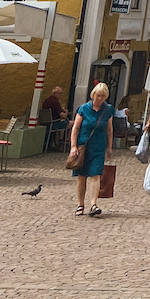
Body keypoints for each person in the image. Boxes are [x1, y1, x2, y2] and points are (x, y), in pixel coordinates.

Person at [69, 82, 114, 217]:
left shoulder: (108, 110)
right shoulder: (83, 109)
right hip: (83, 147)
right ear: (93, 94)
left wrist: (109, 147)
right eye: (97, 95)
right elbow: (76, 128)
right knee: (82, 177)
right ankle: (80, 204)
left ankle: (93, 205)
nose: (99, 98)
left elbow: (109, 129)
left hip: (98, 147)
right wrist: (73, 146)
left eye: (102, 96)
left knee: (96, 175)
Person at [41, 86, 70, 150]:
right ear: (55, 93)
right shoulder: (55, 102)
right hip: (53, 124)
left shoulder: (46, 100)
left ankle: (59, 141)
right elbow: (63, 116)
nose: (61, 95)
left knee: (63, 122)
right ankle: (64, 142)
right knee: (72, 123)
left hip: (45, 123)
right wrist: (66, 112)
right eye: (60, 93)